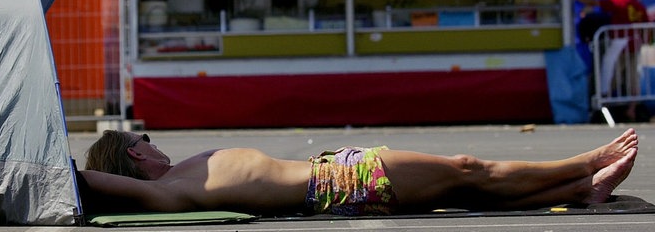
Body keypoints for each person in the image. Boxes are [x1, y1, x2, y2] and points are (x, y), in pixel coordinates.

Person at [77, 128, 638, 216]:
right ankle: (583, 165)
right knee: (470, 170)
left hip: (337, 179)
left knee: (467, 188)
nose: (151, 143)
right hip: (340, 182)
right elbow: (86, 179)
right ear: (133, 157)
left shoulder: (178, 181)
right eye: (141, 140)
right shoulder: (171, 191)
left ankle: (584, 188)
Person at [566, 0, 651, 122]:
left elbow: (593, 3)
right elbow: (647, 26)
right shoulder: (639, 5)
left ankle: (604, 103)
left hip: (620, 46)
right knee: (633, 79)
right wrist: (645, 41)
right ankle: (631, 108)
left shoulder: (619, 1)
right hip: (635, 46)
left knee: (611, 74)